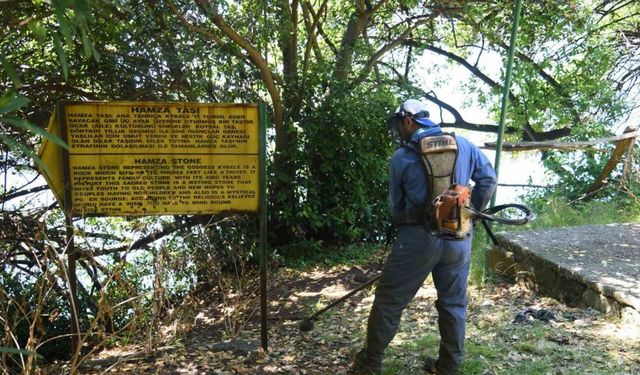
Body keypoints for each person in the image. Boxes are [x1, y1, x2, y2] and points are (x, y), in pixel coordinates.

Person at [350, 99, 497, 375]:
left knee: (390, 301)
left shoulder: (402, 157)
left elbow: (396, 205)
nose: (398, 130)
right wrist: (470, 211)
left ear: (408, 121)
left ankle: (370, 363)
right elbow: (488, 179)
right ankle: (448, 367)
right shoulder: (463, 144)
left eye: (398, 124)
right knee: (453, 303)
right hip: (458, 237)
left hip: (417, 240)